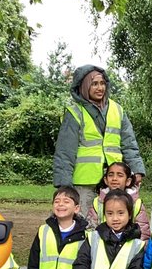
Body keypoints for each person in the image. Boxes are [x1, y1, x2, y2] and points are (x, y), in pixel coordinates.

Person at [53, 63, 145, 202]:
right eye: (94, 84)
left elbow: (129, 144)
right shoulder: (75, 112)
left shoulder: (117, 109)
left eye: (102, 83)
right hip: (84, 182)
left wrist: (137, 170)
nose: (100, 88)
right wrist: (64, 184)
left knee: (113, 221)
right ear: (84, 86)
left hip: (114, 179)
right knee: (84, 222)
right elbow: (65, 152)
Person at [86, 161, 148, 240]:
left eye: (120, 175)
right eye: (111, 175)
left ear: (128, 181)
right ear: (106, 180)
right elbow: (90, 230)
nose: (114, 179)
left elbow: (143, 234)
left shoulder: (136, 204)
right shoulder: (97, 202)